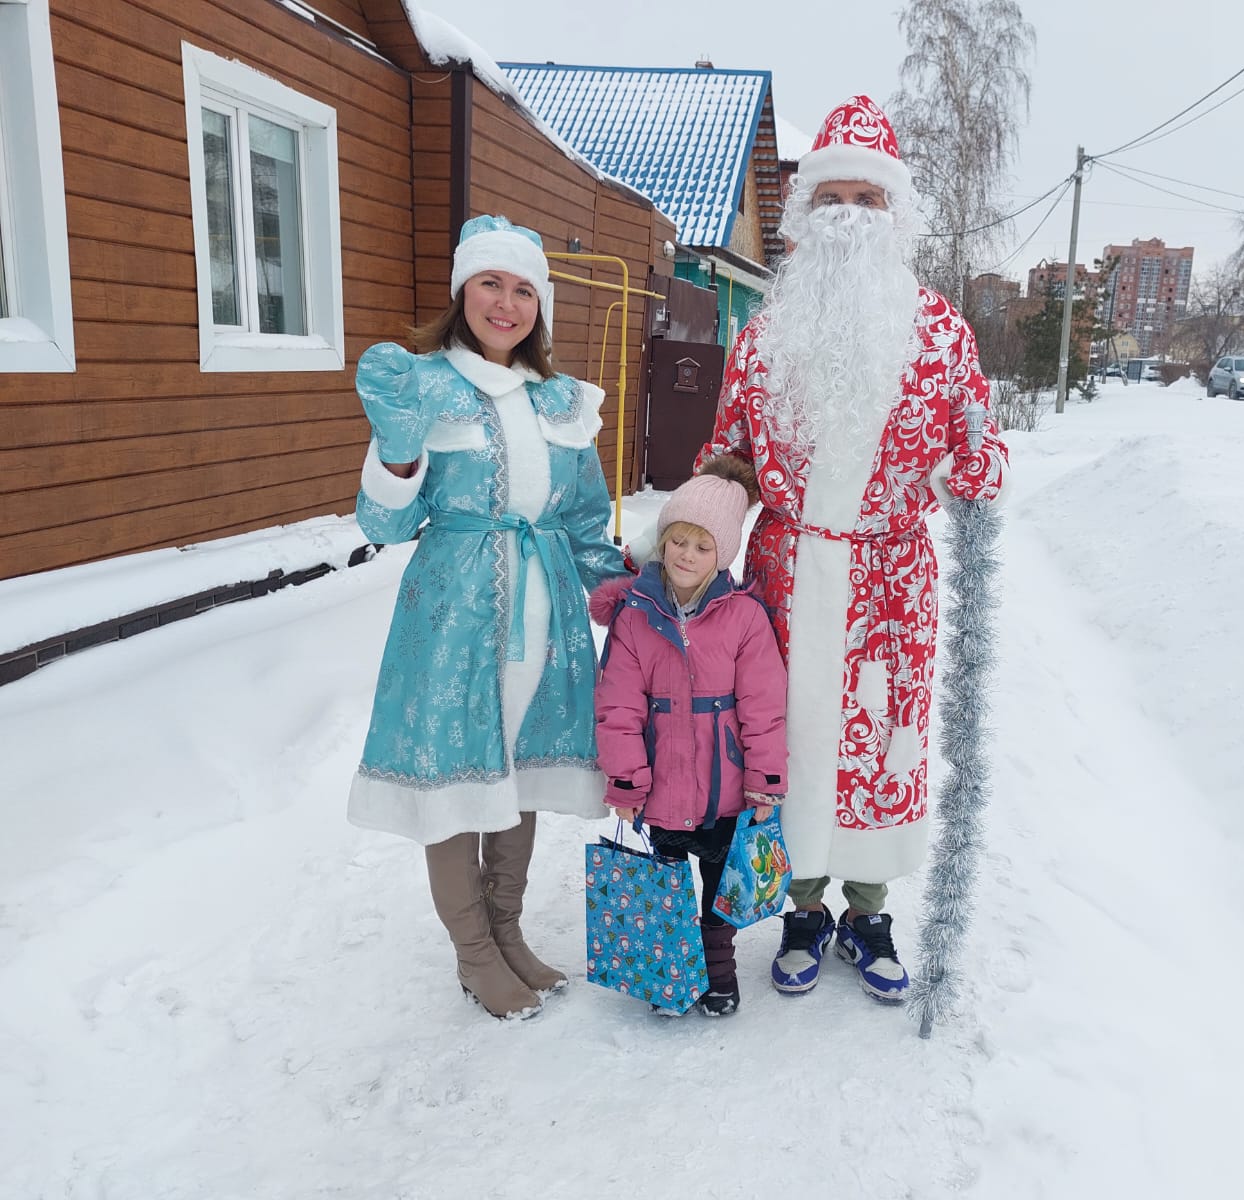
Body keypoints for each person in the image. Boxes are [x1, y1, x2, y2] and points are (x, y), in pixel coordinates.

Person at [696, 96, 1010, 1003]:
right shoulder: (762, 337)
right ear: (803, 216)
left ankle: (868, 910)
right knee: (784, 738)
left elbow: (982, 457)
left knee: (882, 740)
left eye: (866, 200)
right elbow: (726, 459)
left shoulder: (944, 335)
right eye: (830, 196)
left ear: (894, 214)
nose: (847, 214)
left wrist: (970, 463)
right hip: (785, 577)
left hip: (890, 576)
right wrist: (686, 555)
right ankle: (802, 908)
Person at [348, 215, 631, 1020]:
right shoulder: (423, 385)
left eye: (521, 289)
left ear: (539, 305)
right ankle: (474, 953)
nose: (505, 304)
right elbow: (384, 526)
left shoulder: (561, 401)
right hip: (454, 616)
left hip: (545, 613)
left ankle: (507, 932)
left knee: (522, 770)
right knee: (456, 776)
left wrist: (632, 594)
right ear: (461, 292)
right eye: (489, 284)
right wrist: (398, 450)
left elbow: (580, 522)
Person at [589, 456, 788, 1017]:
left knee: (719, 885)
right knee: (668, 881)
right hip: (662, 787)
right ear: (663, 541)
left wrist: (765, 779)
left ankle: (718, 969)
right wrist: (626, 780)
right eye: (678, 540)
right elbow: (619, 706)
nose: (686, 556)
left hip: (725, 789)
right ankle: (670, 965)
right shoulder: (636, 616)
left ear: (721, 554)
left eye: (703, 547)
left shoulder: (744, 618)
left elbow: (764, 707)